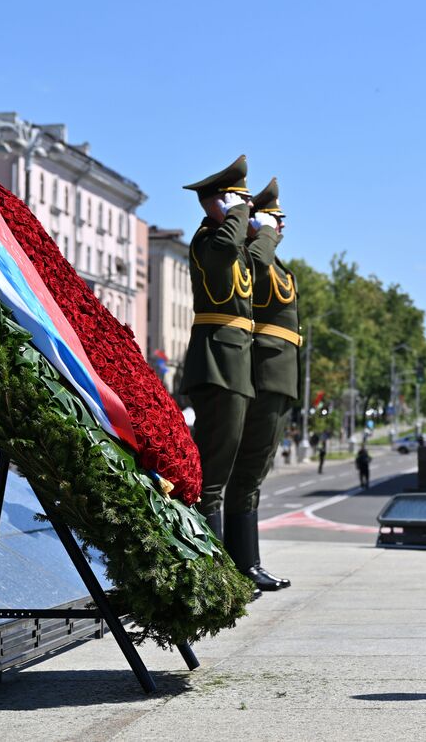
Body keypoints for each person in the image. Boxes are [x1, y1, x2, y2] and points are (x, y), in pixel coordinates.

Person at [178, 154, 281, 599]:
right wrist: (240, 211)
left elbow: (253, 262)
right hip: (217, 361)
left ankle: (231, 569)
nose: (247, 211)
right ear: (214, 202)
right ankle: (215, 573)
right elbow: (229, 250)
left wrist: (250, 221)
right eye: (238, 200)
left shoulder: (233, 247)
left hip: (236, 364)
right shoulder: (208, 243)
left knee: (224, 472)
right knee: (214, 476)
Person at [231, 177, 297, 592]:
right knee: (248, 473)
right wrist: (261, 231)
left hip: (278, 374)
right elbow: (254, 259)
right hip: (265, 372)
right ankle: (245, 564)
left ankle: (248, 562)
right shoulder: (256, 258)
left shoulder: (274, 263)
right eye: (276, 220)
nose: (281, 227)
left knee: (255, 472)